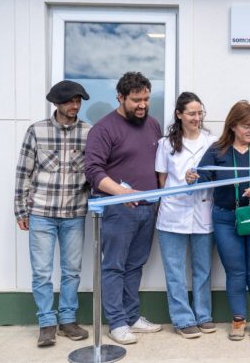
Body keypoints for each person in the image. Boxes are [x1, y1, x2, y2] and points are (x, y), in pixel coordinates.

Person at [188, 100, 250, 341]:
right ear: (232, 126)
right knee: (236, 272)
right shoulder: (217, 150)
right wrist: (192, 177)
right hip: (225, 219)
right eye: (245, 126)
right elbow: (203, 178)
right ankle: (238, 320)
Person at [85, 71, 163, 345]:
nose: (142, 105)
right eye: (136, 100)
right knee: (115, 267)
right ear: (120, 97)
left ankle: (131, 317)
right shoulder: (103, 129)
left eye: (146, 99)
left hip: (147, 209)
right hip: (118, 211)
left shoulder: (153, 125)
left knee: (135, 266)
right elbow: (93, 170)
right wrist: (121, 193)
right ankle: (116, 323)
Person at [14, 80, 91, 347]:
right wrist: (20, 209)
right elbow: (23, 172)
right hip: (41, 213)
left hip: (74, 213)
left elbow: (93, 174)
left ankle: (68, 320)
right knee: (42, 272)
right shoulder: (36, 131)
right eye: (70, 101)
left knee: (72, 271)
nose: (75, 105)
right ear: (57, 103)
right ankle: (46, 323)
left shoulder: (88, 133)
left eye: (78, 101)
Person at [155, 92, 216, 339]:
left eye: (200, 113)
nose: (197, 118)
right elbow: (162, 180)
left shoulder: (213, 141)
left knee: (203, 269)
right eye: (191, 113)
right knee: (175, 270)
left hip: (203, 212)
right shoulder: (165, 144)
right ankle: (182, 319)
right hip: (172, 215)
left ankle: (204, 315)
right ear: (179, 114)